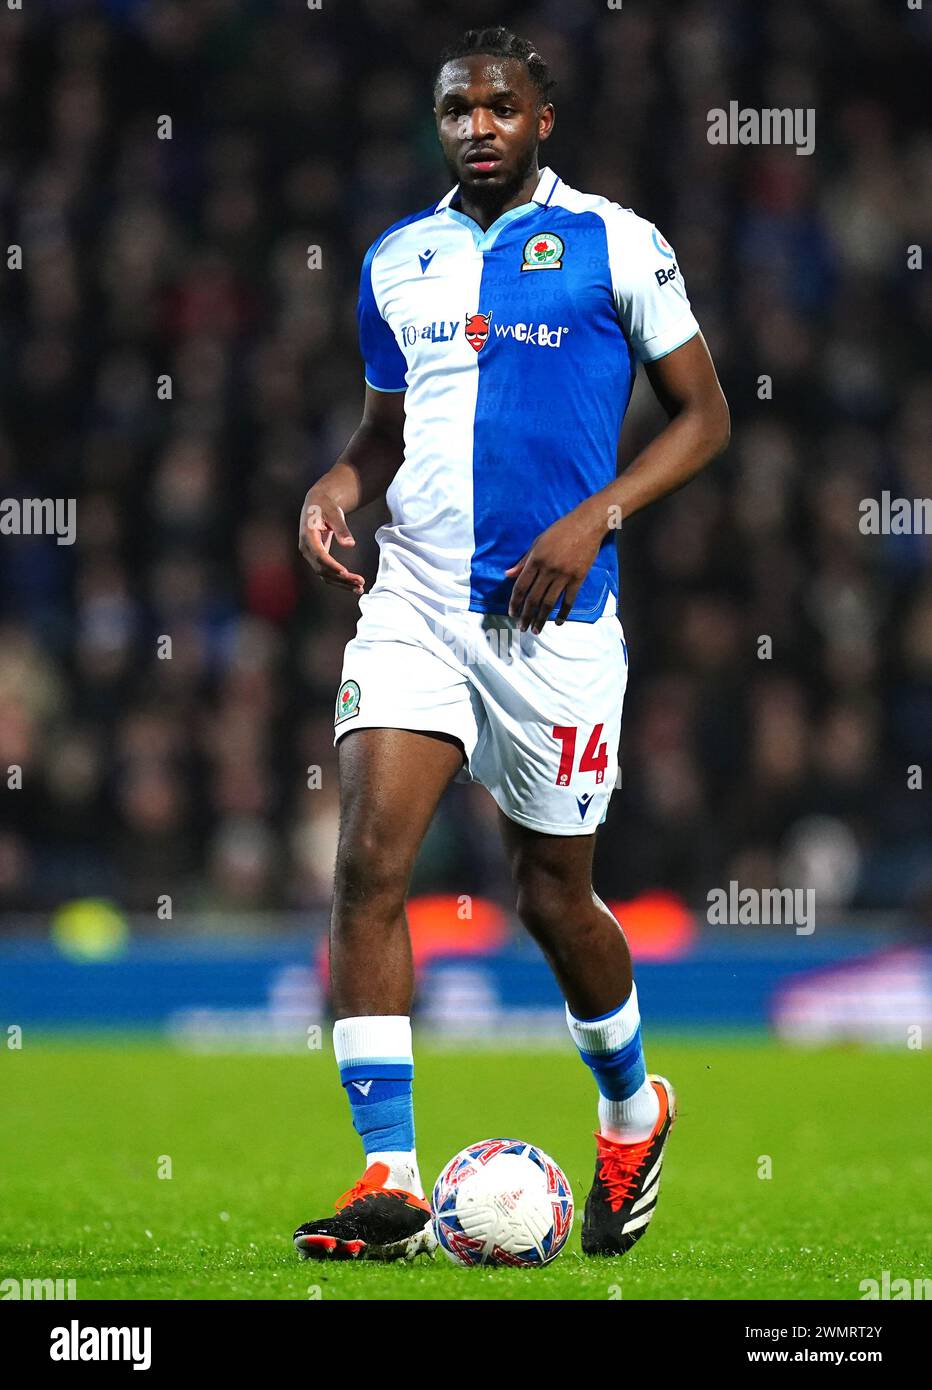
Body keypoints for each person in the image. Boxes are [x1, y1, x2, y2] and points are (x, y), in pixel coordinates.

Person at [293, 26, 729, 1261]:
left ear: (542, 118)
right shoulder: (397, 257)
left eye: (497, 105)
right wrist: (332, 482)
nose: (474, 126)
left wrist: (596, 517)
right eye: (453, 109)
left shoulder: (618, 242)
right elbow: (378, 435)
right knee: (369, 862)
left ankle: (631, 1110)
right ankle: (387, 1176)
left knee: (553, 899)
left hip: (556, 626)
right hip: (415, 602)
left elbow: (705, 418)